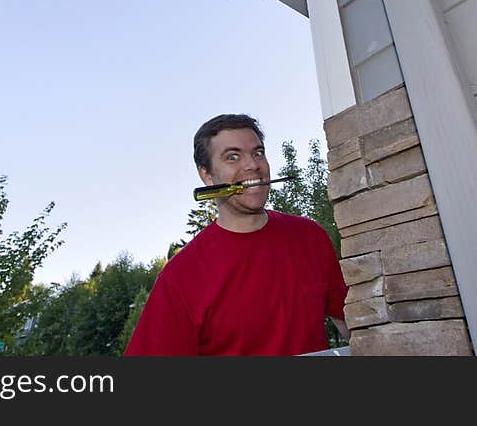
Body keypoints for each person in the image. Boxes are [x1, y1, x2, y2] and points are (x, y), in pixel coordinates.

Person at [124, 114, 348, 356]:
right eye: (232, 157)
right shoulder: (180, 276)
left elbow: (356, 323)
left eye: (258, 152)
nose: (252, 165)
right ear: (207, 176)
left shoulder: (310, 237)